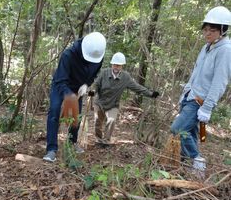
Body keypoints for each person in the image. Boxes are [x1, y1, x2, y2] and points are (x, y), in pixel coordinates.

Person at [170, 6, 231, 170]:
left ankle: (197, 161)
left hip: (200, 101)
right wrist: (184, 94)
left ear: (223, 30)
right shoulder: (206, 47)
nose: (207, 33)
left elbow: (220, 81)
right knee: (190, 133)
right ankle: (187, 168)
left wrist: (208, 107)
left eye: (212, 30)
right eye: (205, 30)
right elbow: (195, 73)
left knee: (177, 129)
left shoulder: (225, 50)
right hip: (190, 96)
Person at [43, 32, 107, 162]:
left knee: (75, 116)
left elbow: (93, 74)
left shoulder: (98, 56)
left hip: (78, 88)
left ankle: (72, 143)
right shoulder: (68, 55)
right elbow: (61, 80)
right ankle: (51, 149)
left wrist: (86, 84)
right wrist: (69, 96)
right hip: (61, 85)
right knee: (54, 111)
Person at [91, 52, 159, 145]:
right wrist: (93, 91)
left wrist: (151, 94)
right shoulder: (104, 72)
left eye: (118, 65)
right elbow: (96, 84)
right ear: (112, 64)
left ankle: (106, 141)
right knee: (97, 122)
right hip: (100, 102)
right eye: (115, 64)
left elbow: (137, 87)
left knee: (111, 120)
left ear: (122, 66)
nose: (116, 67)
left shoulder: (125, 77)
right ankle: (98, 139)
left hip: (113, 104)